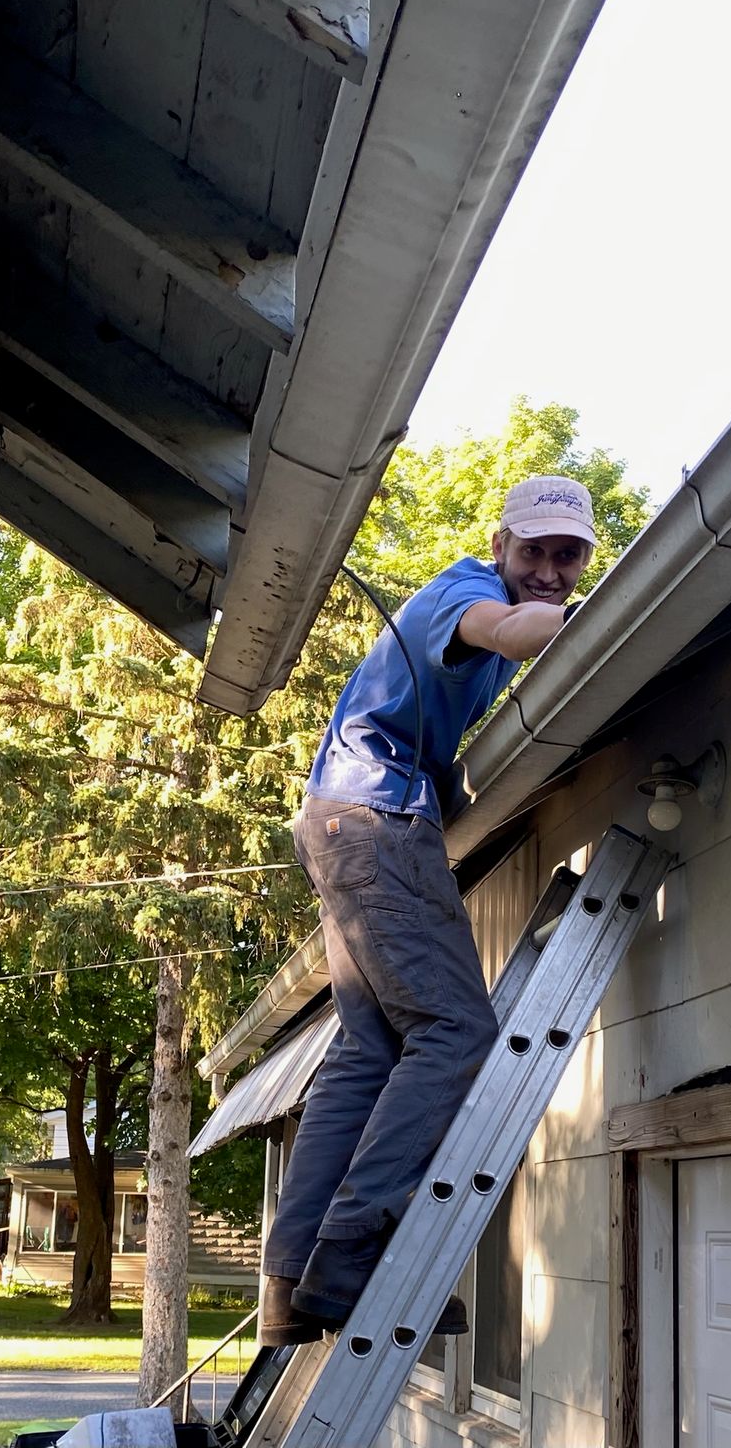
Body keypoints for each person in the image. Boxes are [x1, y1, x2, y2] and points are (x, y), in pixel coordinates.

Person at [260, 474, 595, 1346]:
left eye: (569, 556)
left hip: (340, 821)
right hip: (377, 821)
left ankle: (289, 1283)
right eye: (535, 551)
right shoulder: (467, 593)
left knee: (369, 1049)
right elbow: (512, 631)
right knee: (455, 1030)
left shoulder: (477, 607)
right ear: (500, 545)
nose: (550, 571)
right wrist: (599, 611)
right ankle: (355, 1251)